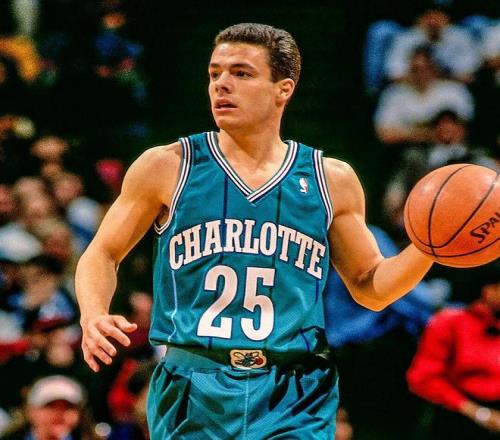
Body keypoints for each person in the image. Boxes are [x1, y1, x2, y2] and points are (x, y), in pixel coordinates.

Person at [75, 23, 435, 439]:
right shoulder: (166, 165)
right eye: (214, 73)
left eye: (241, 73)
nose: (222, 84)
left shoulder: (330, 179)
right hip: (194, 379)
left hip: (294, 387)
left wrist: (427, 248)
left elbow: (370, 287)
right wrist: (93, 313)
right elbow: (103, 252)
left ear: (283, 89)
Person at [407, 262, 500, 439]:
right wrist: (479, 413)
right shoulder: (449, 322)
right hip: (457, 417)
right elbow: (422, 378)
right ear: (489, 290)